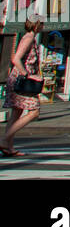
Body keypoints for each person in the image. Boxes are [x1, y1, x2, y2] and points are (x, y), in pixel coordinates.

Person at [1, 19, 45, 157]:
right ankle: (3, 139)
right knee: (34, 112)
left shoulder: (30, 37)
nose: (44, 26)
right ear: (37, 25)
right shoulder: (29, 37)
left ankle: (8, 147)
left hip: (19, 80)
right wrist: (28, 75)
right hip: (22, 82)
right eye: (42, 23)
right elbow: (16, 59)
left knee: (17, 113)